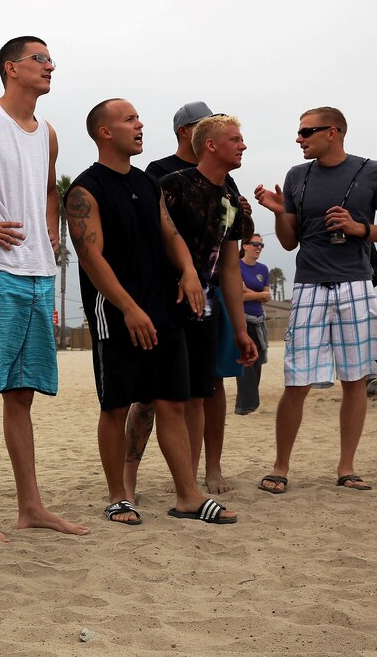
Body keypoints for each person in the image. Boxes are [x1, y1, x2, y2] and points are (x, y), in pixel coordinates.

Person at [65, 98, 236, 526]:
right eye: (130, 119)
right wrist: (129, 308)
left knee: (172, 403)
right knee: (116, 405)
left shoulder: (147, 183)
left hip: (164, 308)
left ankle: (187, 497)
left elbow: (171, 233)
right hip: (117, 313)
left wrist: (189, 273)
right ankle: (118, 496)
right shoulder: (86, 189)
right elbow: (91, 258)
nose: (140, 125)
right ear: (105, 132)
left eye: (139, 118)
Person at [0, 36, 88, 541]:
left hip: (37, 275)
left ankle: (31, 507)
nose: (51, 66)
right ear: (11, 67)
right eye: (40, 59)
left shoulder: (47, 132)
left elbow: (50, 187)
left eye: (51, 59)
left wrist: (51, 235)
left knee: (22, 397)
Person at [254, 106, 377, 494]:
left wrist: (360, 228)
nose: (299, 138)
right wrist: (277, 212)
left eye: (306, 132)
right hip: (309, 286)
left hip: (356, 285)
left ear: (333, 132)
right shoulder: (296, 176)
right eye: (299, 132)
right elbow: (289, 241)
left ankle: (346, 467)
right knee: (296, 380)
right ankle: (280, 466)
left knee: (354, 380)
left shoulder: (372, 171)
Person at [125, 102, 253, 498]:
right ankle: (125, 482)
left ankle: (190, 482)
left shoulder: (230, 197)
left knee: (200, 393)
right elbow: (144, 242)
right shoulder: (168, 181)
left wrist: (243, 328)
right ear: (206, 142)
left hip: (205, 309)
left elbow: (230, 268)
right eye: (235, 139)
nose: (244, 146)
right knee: (150, 395)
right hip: (161, 303)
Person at [235, 233, 270, 415]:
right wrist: (259, 294)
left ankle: (245, 404)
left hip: (259, 321)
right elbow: (237, 296)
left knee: (257, 364)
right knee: (247, 364)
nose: (259, 247)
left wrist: (248, 291)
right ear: (245, 246)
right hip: (243, 320)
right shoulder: (236, 266)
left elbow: (268, 296)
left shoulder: (263, 269)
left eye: (261, 245)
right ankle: (247, 406)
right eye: (255, 244)